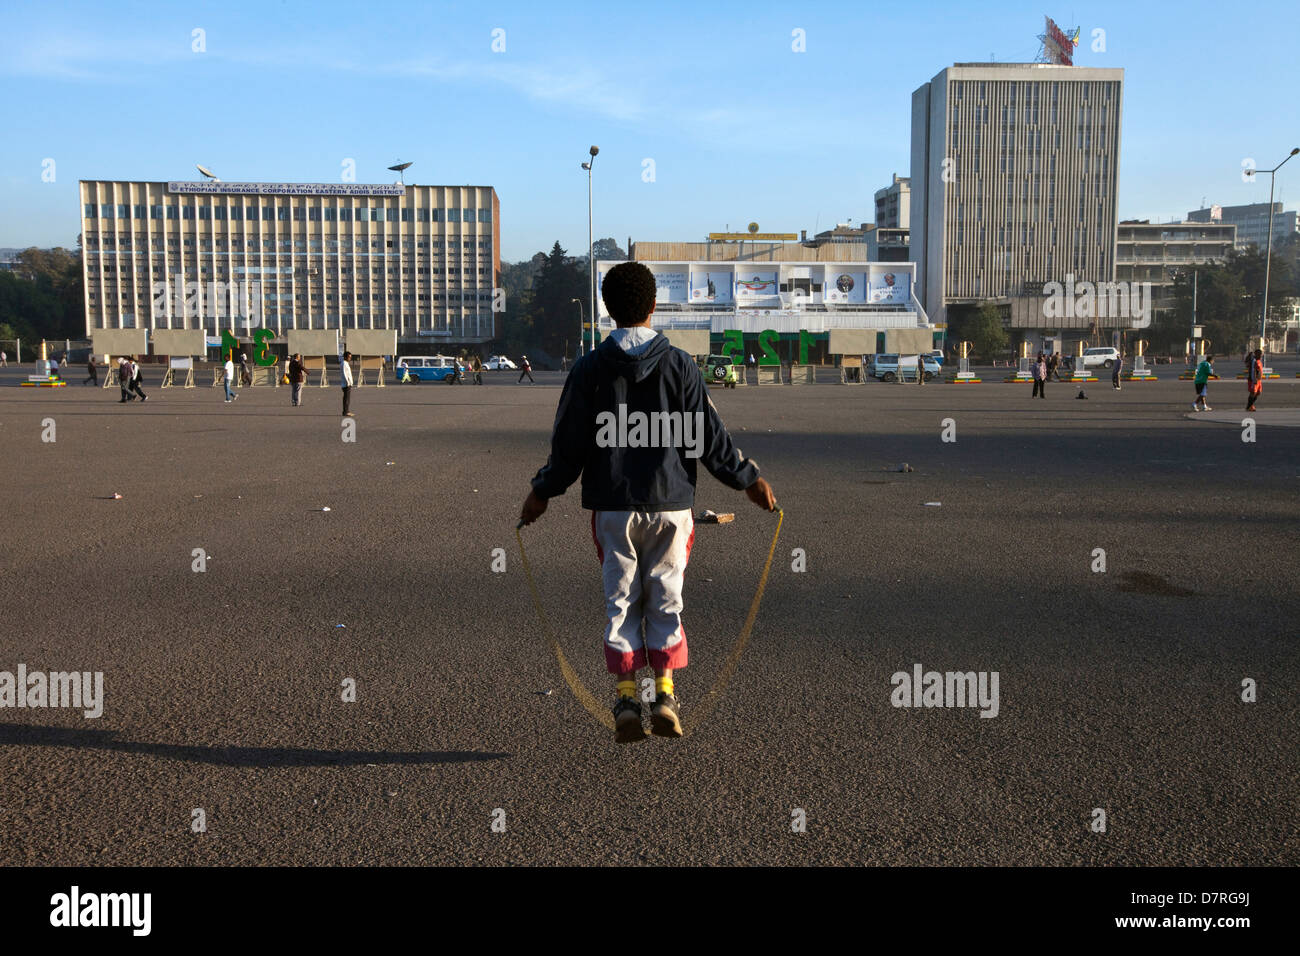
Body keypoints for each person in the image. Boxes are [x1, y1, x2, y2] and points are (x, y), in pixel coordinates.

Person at [519, 261, 777, 745]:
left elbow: (568, 446)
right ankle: (664, 694)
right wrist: (748, 480)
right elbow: (709, 437)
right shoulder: (681, 366)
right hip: (671, 505)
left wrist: (542, 492)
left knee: (620, 601)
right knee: (665, 595)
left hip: (613, 508)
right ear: (654, 307)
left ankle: (623, 699)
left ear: (607, 309)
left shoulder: (589, 369)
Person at [1246, 348, 1263, 412]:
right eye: (1260, 354)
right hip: (1253, 380)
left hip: (1259, 380)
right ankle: (1249, 406)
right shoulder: (1254, 361)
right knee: (1253, 393)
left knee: (1258, 392)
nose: (1261, 356)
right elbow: (1253, 371)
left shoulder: (1259, 361)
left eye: (1261, 354)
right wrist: (1254, 380)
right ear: (1256, 354)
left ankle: (1250, 405)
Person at [340, 349, 355, 416]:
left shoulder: (345, 363)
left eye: (350, 357)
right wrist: (348, 382)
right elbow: (345, 374)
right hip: (346, 384)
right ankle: (346, 412)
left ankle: (346, 411)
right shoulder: (344, 364)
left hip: (347, 383)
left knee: (347, 398)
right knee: (346, 399)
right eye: (349, 357)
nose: (350, 358)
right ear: (345, 357)